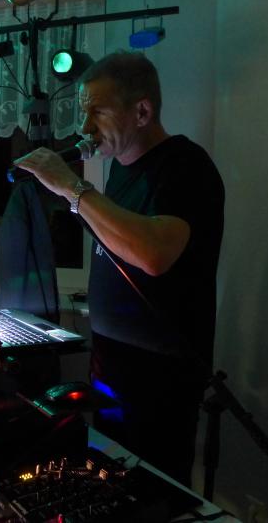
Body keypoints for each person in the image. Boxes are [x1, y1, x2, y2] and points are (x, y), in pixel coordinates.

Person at [13, 51, 224, 487]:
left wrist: (73, 187)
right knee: (110, 478)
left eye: (97, 112)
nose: (85, 126)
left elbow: (153, 254)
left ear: (142, 112)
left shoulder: (186, 165)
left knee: (153, 491)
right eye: (83, 112)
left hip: (160, 373)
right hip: (112, 361)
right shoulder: (119, 173)